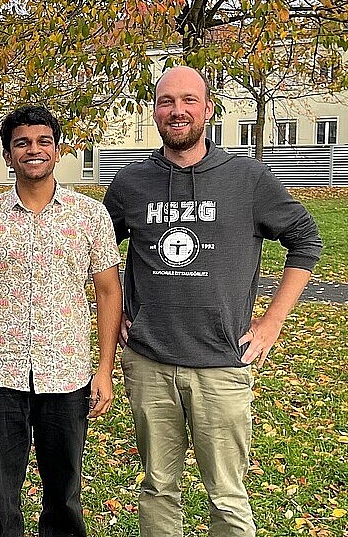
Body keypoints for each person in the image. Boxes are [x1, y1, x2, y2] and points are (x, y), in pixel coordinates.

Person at [102, 65, 322, 537]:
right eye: (165, 101)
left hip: (223, 361)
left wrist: (272, 322)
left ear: (208, 109)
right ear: (155, 111)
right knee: (159, 487)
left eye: (187, 100)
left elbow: (305, 238)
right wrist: (118, 310)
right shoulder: (129, 185)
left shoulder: (247, 179)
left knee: (226, 493)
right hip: (150, 362)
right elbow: (98, 255)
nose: (176, 111)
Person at [0, 106, 122, 537]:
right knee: (0, 496)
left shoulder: (89, 215)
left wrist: (104, 369)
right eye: (22, 143)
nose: (34, 150)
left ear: (58, 149)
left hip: (66, 376)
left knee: (64, 494)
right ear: (8, 154)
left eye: (43, 141)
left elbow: (107, 291)